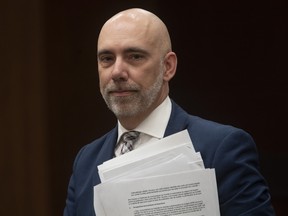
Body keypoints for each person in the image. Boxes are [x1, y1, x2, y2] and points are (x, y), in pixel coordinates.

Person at [64, 8, 275, 216]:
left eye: (135, 56)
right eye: (107, 58)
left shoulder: (222, 148)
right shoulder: (86, 161)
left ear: (168, 67)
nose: (117, 71)